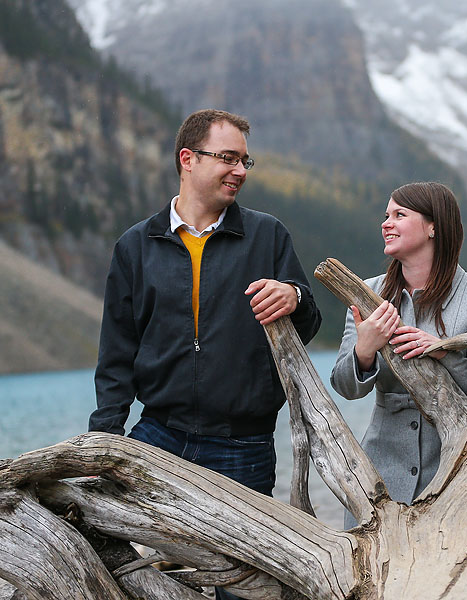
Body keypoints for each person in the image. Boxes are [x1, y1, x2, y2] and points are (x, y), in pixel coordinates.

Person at [89, 110, 321, 597]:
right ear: (188, 159)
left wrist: (294, 296)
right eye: (228, 158)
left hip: (243, 447)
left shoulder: (267, 235)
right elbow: (116, 355)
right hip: (158, 437)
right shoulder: (135, 246)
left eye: (245, 161)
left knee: (242, 588)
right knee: (134, 574)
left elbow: (310, 320)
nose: (239, 170)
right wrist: (104, 442)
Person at [330, 182, 467, 528]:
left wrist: (443, 354)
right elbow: (345, 385)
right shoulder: (366, 293)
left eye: (400, 214)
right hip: (380, 474)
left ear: (434, 227)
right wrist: (364, 349)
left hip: (455, 468)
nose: (386, 223)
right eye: (386, 215)